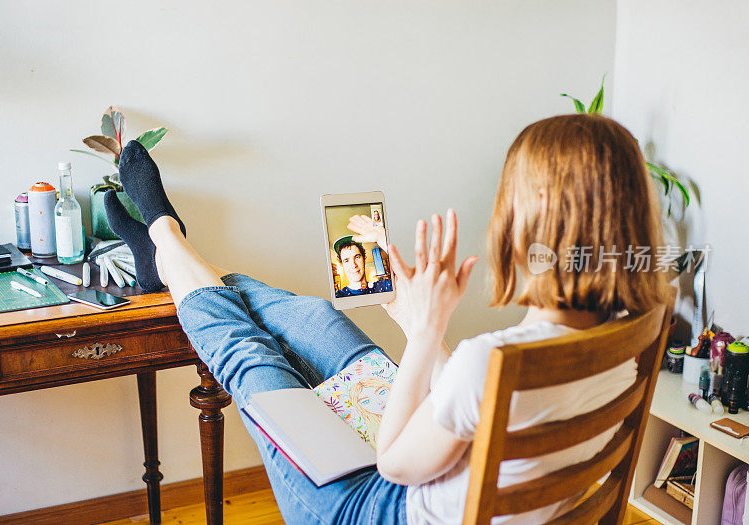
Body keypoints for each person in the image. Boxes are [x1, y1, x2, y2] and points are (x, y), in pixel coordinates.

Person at [104, 112, 668, 525]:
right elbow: (485, 401)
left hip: (370, 510)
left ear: (522, 225)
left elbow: (395, 464)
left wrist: (426, 333)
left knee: (248, 352)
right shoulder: (625, 346)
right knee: (316, 315)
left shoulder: (489, 359)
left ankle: (162, 234)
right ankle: (171, 261)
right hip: (443, 483)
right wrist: (407, 313)